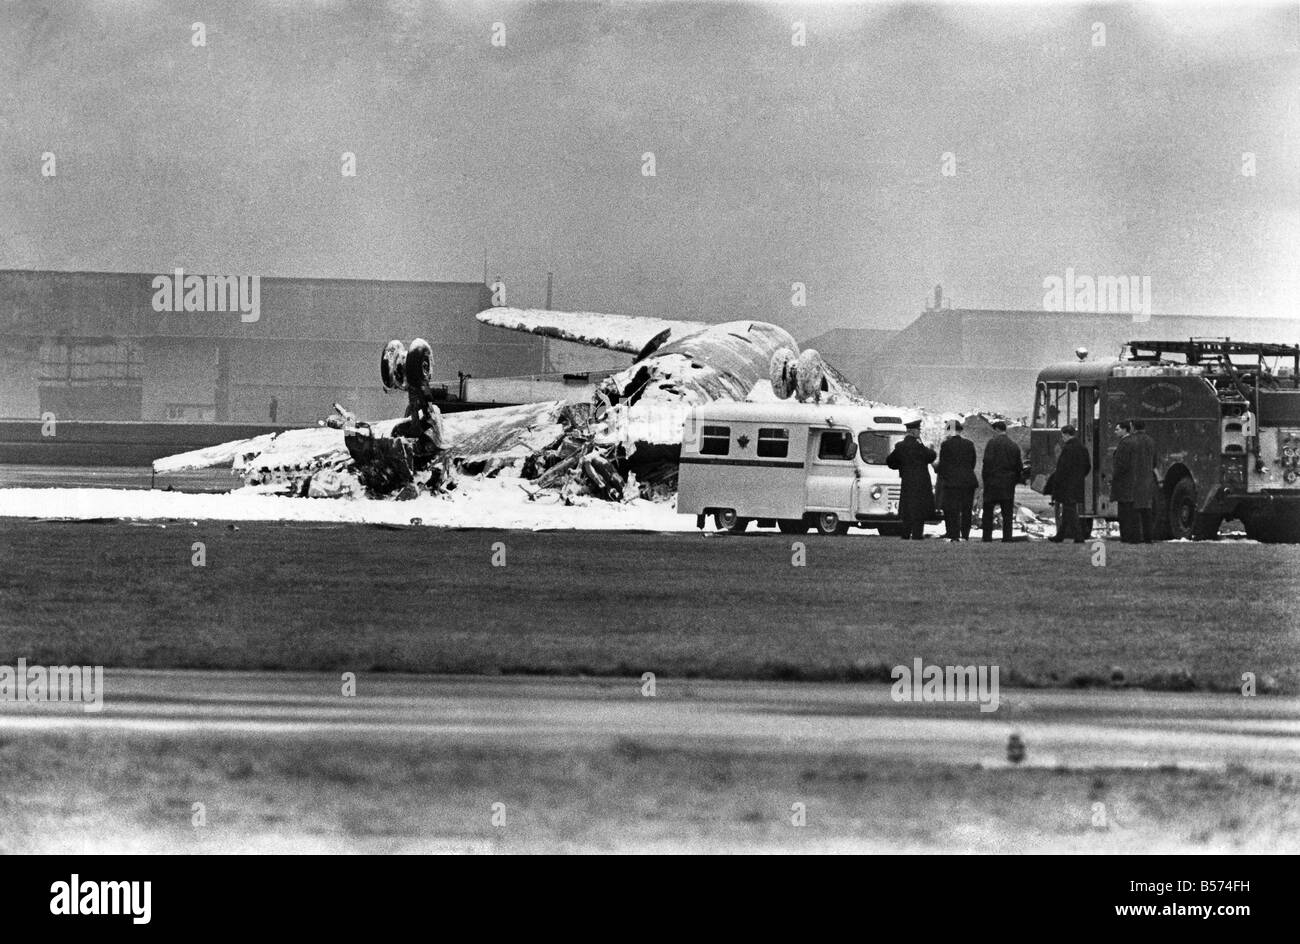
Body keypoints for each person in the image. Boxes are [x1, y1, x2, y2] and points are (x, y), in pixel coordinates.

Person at [886, 419, 937, 540]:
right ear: (913, 431)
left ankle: (905, 534)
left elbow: (890, 462)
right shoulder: (919, 446)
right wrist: (923, 445)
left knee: (907, 508)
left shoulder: (900, 446)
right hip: (921, 482)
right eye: (918, 430)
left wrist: (901, 465)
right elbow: (931, 456)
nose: (919, 432)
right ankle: (917, 534)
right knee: (919, 509)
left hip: (907, 481)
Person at [1112, 419, 1157, 543]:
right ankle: (1148, 537)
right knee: (1146, 510)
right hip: (1147, 479)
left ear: (1132, 427)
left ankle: (1132, 537)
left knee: (1131, 511)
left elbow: (1123, 463)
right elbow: (1154, 462)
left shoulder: (1130, 442)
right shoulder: (1150, 441)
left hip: (1133, 480)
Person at [1047, 424, 1091, 543]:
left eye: (1062, 435)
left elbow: (1062, 468)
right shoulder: (1082, 448)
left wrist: (1057, 483)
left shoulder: (1068, 448)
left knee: (1070, 510)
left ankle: (1079, 537)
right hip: (1077, 483)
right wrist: (1079, 477)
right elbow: (1088, 466)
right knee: (1067, 511)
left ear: (1066, 434)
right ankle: (1060, 535)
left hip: (1067, 485)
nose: (1062, 438)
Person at [981, 419, 1023, 542]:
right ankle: (1007, 537)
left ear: (997, 430)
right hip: (1008, 484)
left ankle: (987, 537)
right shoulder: (1014, 445)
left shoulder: (991, 444)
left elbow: (987, 463)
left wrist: (986, 479)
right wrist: (1013, 480)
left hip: (992, 482)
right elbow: (1018, 467)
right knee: (1007, 513)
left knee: (988, 512)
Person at [935, 419, 977, 541]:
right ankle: (965, 535)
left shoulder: (946, 445)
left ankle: (952, 533)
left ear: (951, 430)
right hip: (968, 481)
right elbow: (972, 463)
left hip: (952, 482)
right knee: (966, 509)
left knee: (951, 509)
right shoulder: (969, 444)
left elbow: (943, 465)